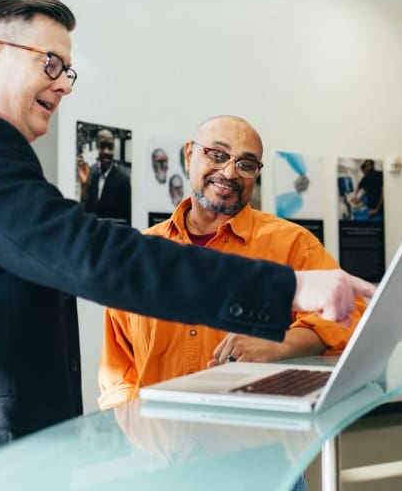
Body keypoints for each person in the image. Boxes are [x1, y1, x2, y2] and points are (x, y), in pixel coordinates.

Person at [0, 0, 374, 490]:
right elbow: (91, 255)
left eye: (67, 71)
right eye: (49, 62)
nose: (63, 84)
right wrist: (287, 289)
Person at [98, 116, 367, 410]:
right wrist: (134, 433)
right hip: (160, 446)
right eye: (217, 155)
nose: (229, 172)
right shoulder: (142, 254)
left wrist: (280, 343)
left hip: (256, 440)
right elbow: (118, 370)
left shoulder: (293, 244)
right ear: (189, 155)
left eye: (246, 164)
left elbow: (352, 316)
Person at [77, 128, 132, 225]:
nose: (106, 152)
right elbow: (87, 211)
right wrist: (84, 186)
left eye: (110, 147)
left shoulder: (123, 179)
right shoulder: (92, 173)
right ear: (97, 147)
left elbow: (127, 220)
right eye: (102, 146)